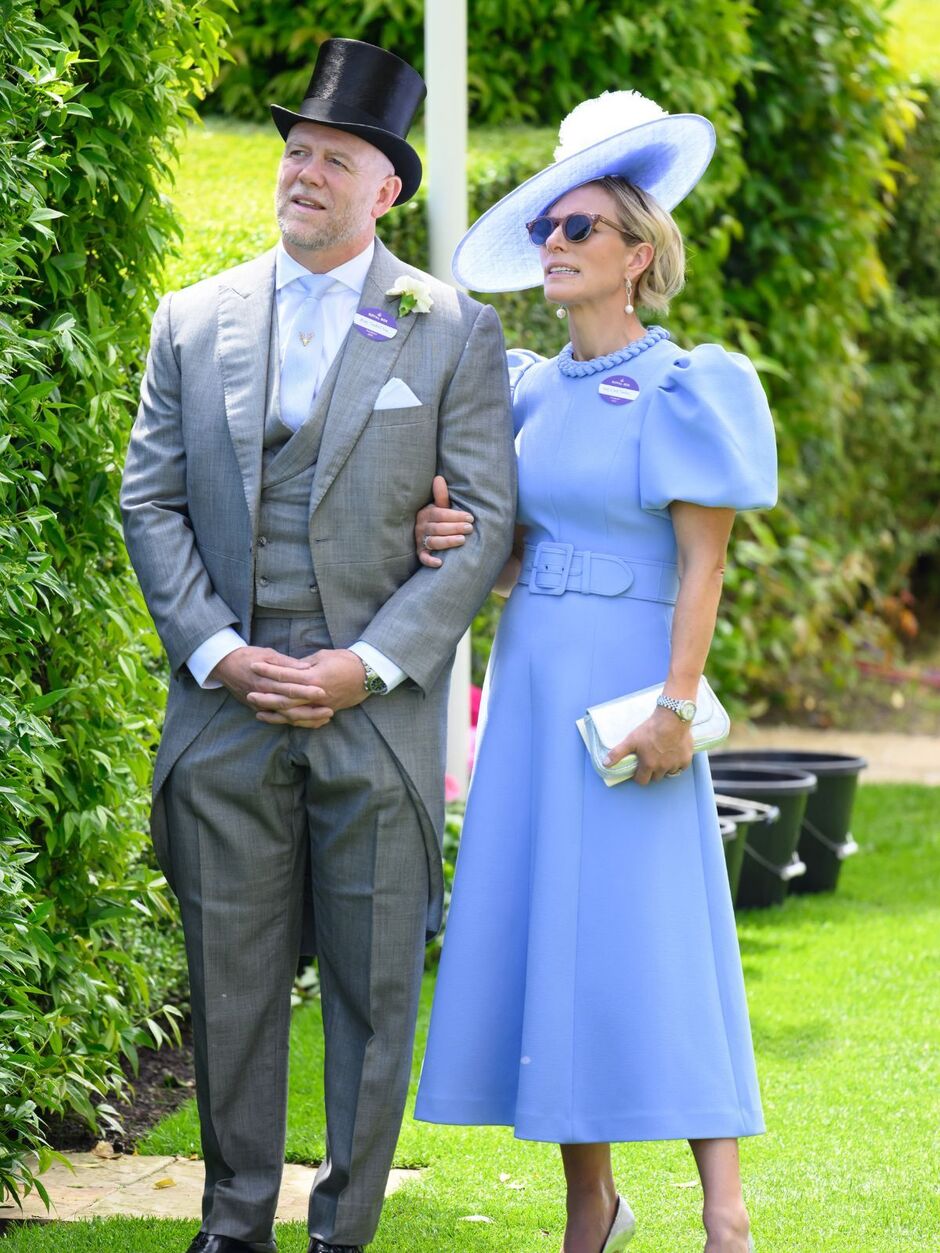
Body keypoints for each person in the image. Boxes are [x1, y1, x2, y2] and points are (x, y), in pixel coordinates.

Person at [121, 38, 516, 1253]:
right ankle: (233, 1221)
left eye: (334, 160)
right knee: (230, 985)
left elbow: (485, 520)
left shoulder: (449, 328)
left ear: (384, 189)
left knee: (372, 988)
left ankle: (345, 1228)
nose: (304, 174)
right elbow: (150, 500)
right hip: (228, 703)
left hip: (375, 711)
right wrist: (219, 652)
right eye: (296, 153)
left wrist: (370, 663)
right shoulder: (194, 318)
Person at [412, 90, 776, 1253]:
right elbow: (510, 552)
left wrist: (677, 706)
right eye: (546, 232)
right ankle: (591, 1204)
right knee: (550, 928)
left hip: (634, 686)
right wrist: (452, 538)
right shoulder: (520, 390)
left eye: (578, 230)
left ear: (637, 255)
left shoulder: (691, 384)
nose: (554, 247)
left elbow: (704, 561)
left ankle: (724, 1215)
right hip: (529, 687)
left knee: (660, 930)